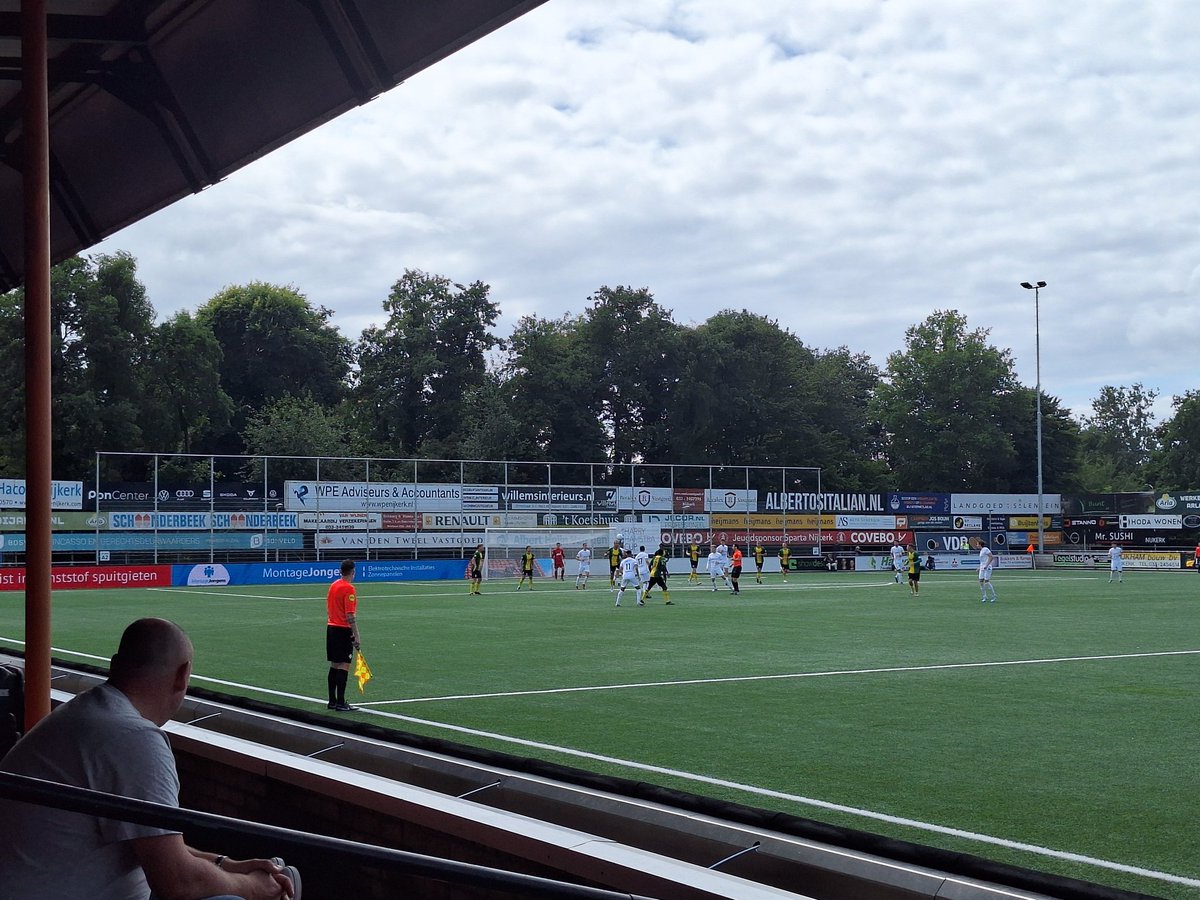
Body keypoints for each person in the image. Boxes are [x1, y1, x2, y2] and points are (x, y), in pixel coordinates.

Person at [0, 618, 299, 900]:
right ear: (182, 676)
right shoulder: (133, 737)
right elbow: (177, 882)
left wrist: (225, 864)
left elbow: (154, 844)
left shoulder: (87, 715)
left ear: (115, 665)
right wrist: (254, 888)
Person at [326, 558, 361, 712]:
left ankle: (332, 701)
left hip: (331, 628)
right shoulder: (349, 589)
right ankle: (341, 702)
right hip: (342, 629)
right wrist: (356, 635)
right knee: (344, 665)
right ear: (352, 571)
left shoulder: (333, 585)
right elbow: (350, 616)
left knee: (334, 664)